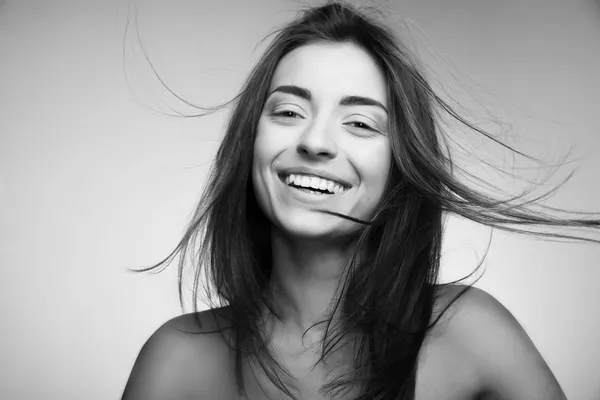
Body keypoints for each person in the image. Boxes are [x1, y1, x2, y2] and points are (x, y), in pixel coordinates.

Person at [122, 2, 599, 399]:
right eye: (289, 111)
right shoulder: (175, 360)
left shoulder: (472, 334)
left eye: (360, 123)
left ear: (399, 166)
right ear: (250, 143)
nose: (316, 141)